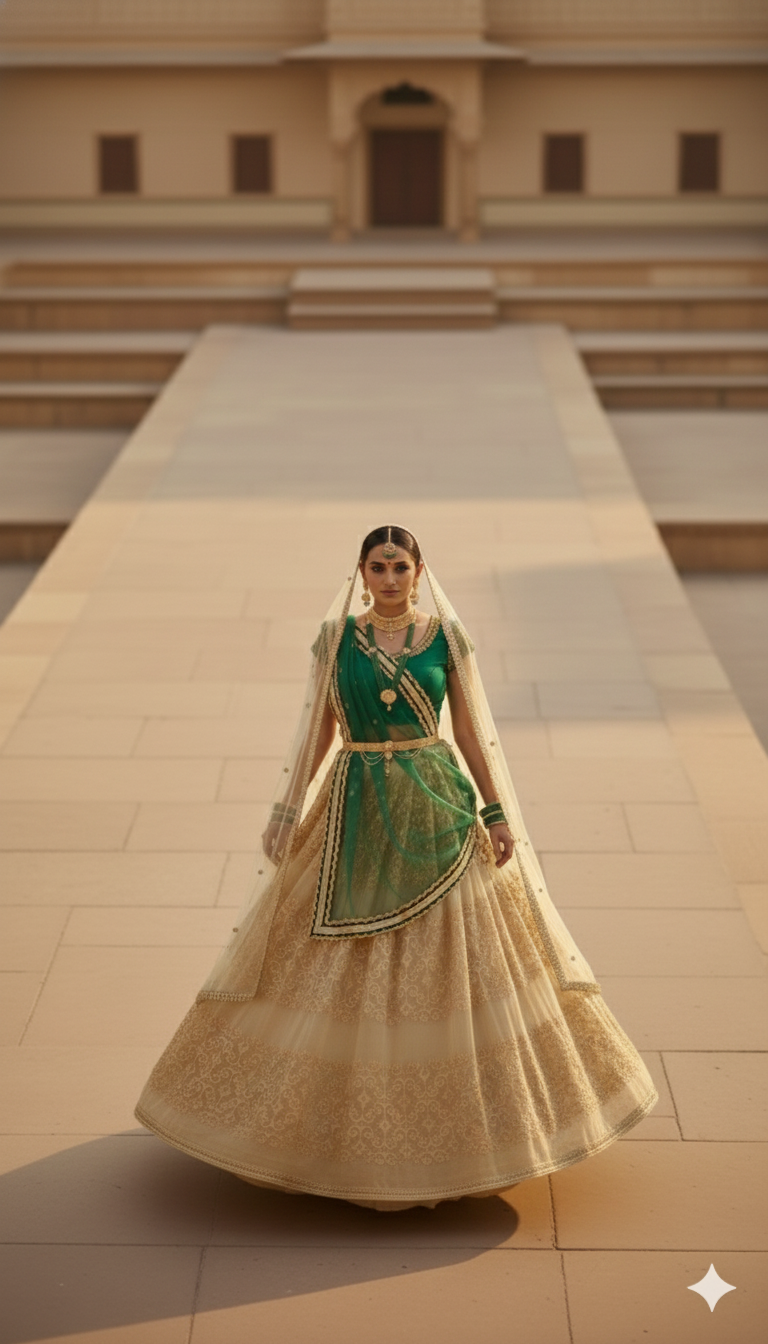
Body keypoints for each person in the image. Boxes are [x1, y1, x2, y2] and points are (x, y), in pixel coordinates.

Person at [135, 524, 658, 1211]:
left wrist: (497, 814)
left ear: (419, 571)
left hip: (434, 801)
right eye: (378, 567)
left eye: (400, 566)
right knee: (317, 954)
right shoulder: (334, 641)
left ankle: (466, 1140)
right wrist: (286, 811)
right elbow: (318, 728)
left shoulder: (446, 639)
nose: (389, 578)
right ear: (361, 572)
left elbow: (468, 730)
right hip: (353, 803)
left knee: (468, 958)